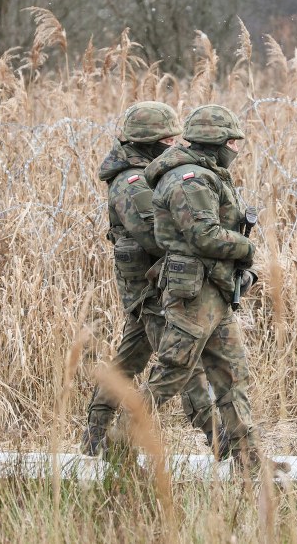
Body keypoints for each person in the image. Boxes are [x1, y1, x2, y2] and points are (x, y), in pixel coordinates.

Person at [124, 104, 267, 469]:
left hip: (214, 290)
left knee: (232, 376)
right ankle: (119, 442)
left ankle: (249, 461)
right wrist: (248, 247)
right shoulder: (190, 180)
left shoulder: (206, 174)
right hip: (194, 294)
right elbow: (204, 235)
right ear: (217, 141)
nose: (236, 148)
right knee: (172, 373)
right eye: (232, 141)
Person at [81, 102, 217, 456]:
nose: (175, 144)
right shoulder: (132, 182)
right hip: (151, 286)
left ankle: (95, 436)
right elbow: (153, 236)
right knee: (183, 364)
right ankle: (222, 441)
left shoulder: (142, 172)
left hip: (149, 284)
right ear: (149, 141)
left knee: (129, 360)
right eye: (168, 138)